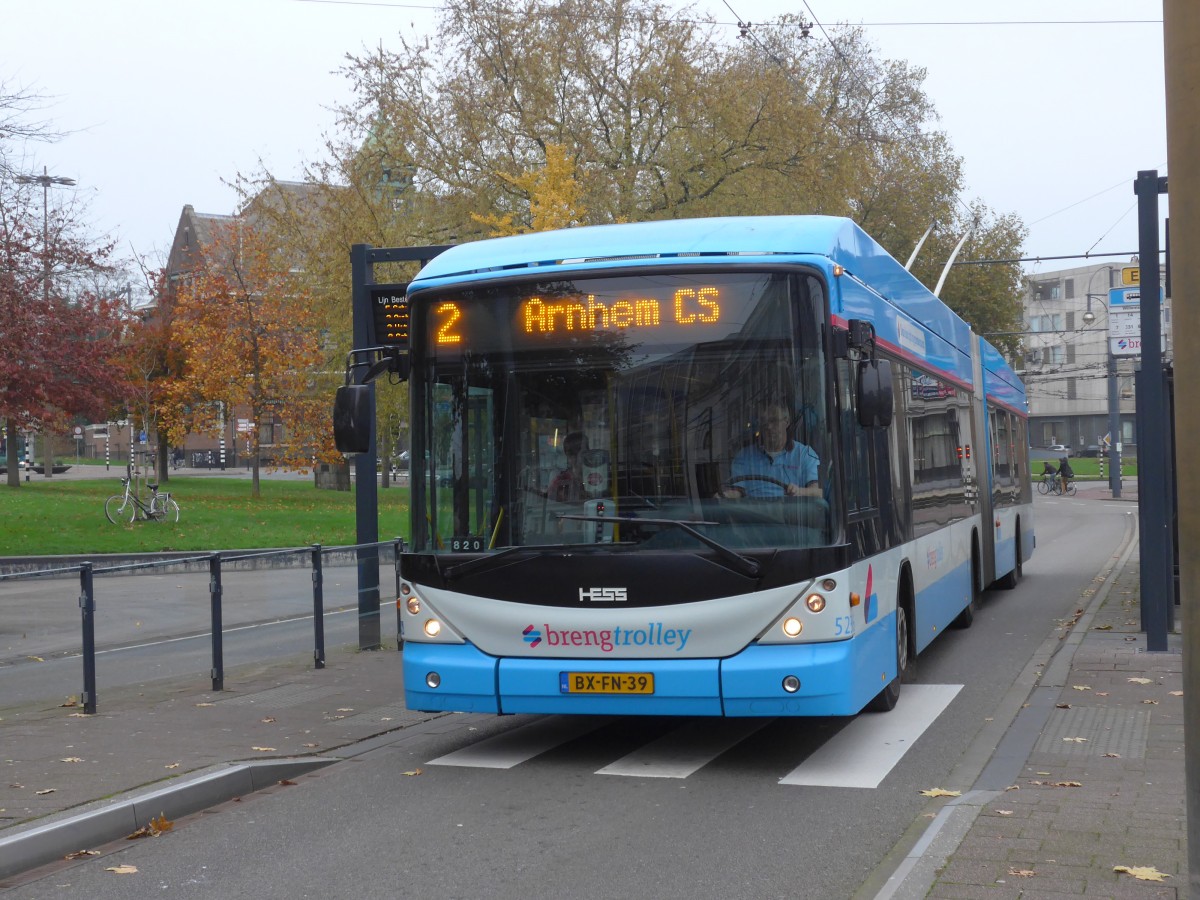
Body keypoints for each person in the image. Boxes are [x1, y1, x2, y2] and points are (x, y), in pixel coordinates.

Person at [722, 403, 822, 499]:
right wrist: (725, 496)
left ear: (786, 421)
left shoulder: (805, 454)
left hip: (792, 514)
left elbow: (818, 491)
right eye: (764, 422)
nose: (769, 427)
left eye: (774, 421)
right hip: (752, 514)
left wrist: (799, 491)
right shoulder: (744, 456)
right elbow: (736, 491)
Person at [549, 432, 587, 502]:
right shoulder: (560, 481)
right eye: (573, 455)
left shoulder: (595, 475)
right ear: (568, 456)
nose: (580, 458)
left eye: (584, 453)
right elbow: (551, 505)